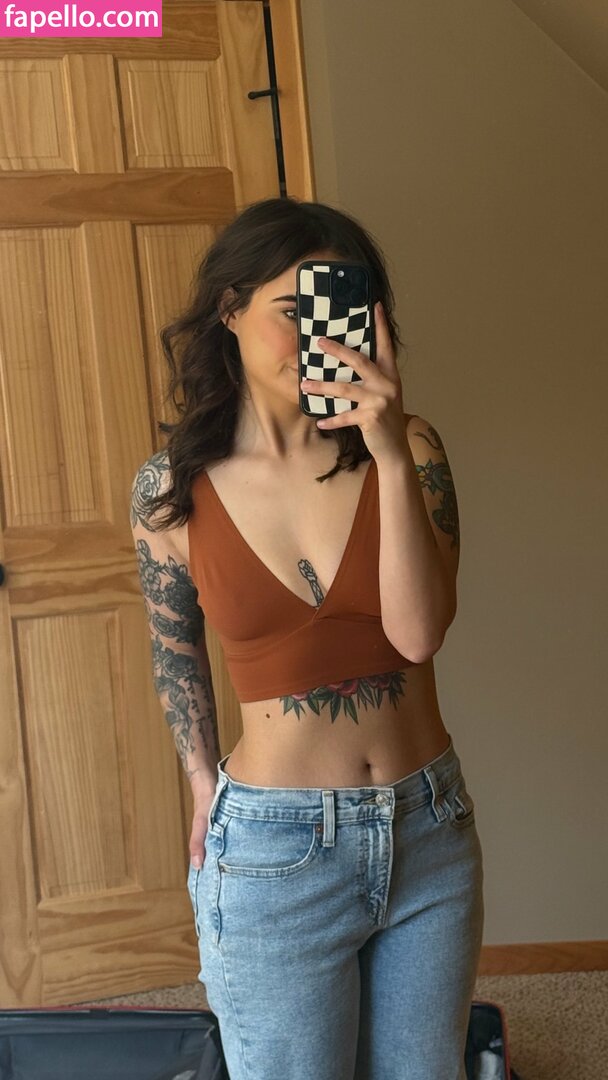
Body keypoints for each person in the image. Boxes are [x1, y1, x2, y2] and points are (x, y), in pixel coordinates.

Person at [130, 197, 484, 1080]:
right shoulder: (170, 490)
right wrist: (201, 780)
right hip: (274, 850)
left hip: (427, 831)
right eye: (294, 311)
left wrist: (386, 449)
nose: (319, 336)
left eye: (339, 311)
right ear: (230, 308)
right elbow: (174, 649)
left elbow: (417, 635)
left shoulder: (413, 450)